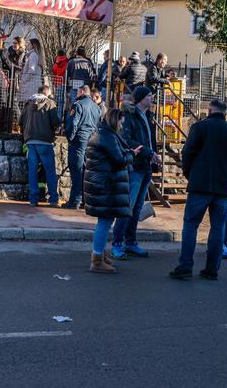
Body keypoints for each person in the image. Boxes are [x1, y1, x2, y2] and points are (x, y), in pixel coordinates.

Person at [170, 98, 227, 280]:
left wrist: (189, 174)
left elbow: (187, 153)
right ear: (225, 113)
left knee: (191, 225)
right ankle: (212, 269)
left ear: (209, 111)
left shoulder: (199, 128)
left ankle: (185, 265)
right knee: (218, 228)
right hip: (223, 187)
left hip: (199, 184)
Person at [83, 108, 135, 274]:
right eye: (121, 122)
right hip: (105, 186)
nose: (121, 125)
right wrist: (132, 154)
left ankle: (100, 254)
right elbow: (119, 160)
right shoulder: (108, 136)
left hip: (102, 185)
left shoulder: (103, 134)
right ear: (114, 120)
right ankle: (97, 259)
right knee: (105, 222)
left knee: (105, 222)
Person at [111, 86, 159, 259]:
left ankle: (131, 242)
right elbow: (127, 140)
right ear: (140, 99)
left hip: (146, 166)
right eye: (149, 95)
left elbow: (150, 140)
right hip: (135, 166)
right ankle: (117, 242)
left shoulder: (148, 116)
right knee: (128, 206)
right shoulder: (131, 116)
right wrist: (148, 152)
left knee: (137, 207)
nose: (152, 98)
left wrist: (153, 155)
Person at [20, 85, 60, 207]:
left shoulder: (28, 104)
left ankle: (33, 199)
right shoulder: (49, 103)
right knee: (50, 171)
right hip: (45, 141)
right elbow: (55, 122)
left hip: (30, 141)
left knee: (32, 171)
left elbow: (20, 122)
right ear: (47, 93)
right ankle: (53, 199)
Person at [64, 84, 102, 209]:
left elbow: (72, 124)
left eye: (77, 93)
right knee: (87, 172)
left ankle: (75, 201)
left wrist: (70, 138)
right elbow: (97, 126)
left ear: (81, 92)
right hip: (90, 141)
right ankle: (86, 200)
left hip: (79, 141)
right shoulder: (97, 108)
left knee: (76, 170)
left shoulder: (78, 105)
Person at [65, 46, 96, 117]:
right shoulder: (88, 62)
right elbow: (91, 76)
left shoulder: (71, 62)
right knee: (84, 105)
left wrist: (67, 89)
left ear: (76, 53)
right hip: (85, 88)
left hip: (73, 87)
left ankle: (72, 121)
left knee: (73, 106)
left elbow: (66, 76)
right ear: (84, 53)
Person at [18, 38, 44, 105]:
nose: (27, 45)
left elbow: (32, 70)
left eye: (29, 44)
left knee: (29, 106)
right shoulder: (36, 55)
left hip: (31, 85)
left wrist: (24, 79)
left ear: (33, 45)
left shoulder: (33, 55)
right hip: (34, 84)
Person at [51, 49, 69, 115]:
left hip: (59, 84)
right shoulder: (67, 63)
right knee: (66, 102)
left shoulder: (55, 65)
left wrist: (54, 85)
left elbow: (54, 75)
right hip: (66, 84)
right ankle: (64, 116)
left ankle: (59, 116)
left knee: (60, 102)